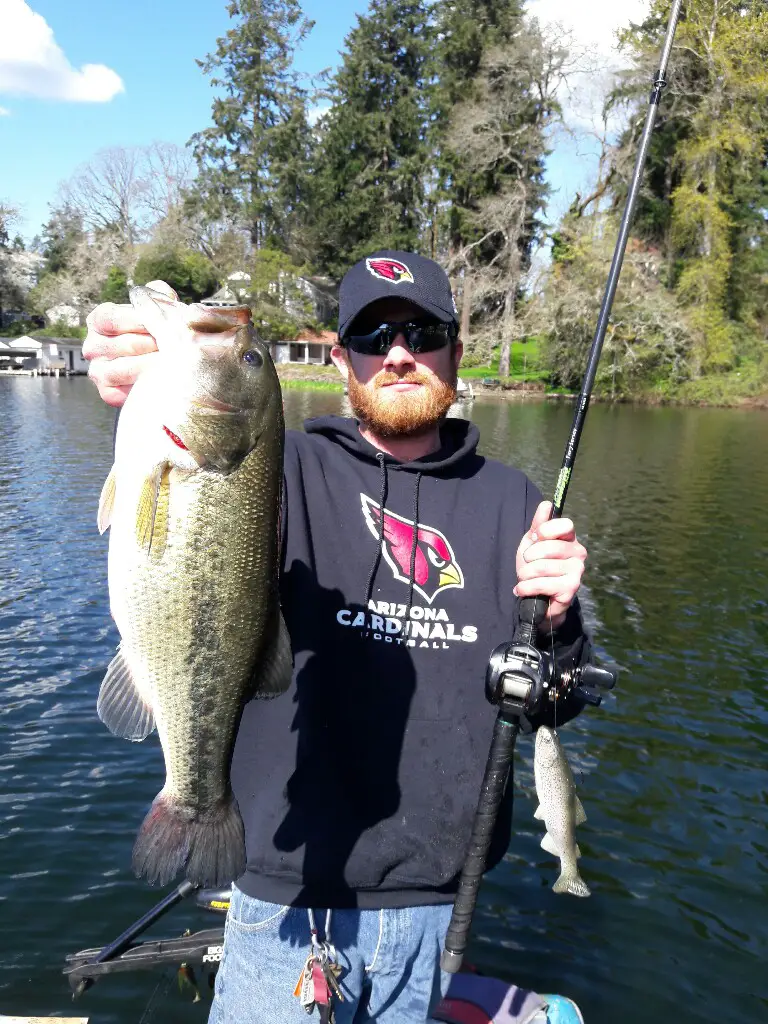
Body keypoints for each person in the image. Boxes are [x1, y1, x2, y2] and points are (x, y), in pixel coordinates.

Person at [84, 250, 590, 1024]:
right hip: (283, 906)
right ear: (340, 360)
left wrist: (557, 625)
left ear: (456, 353)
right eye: (372, 336)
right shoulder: (276, 466)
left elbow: (555, 703)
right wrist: (138, 363)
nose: (399, 354)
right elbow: (185, 515)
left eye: (423, 334)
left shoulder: (514, 501)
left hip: (437, 910)